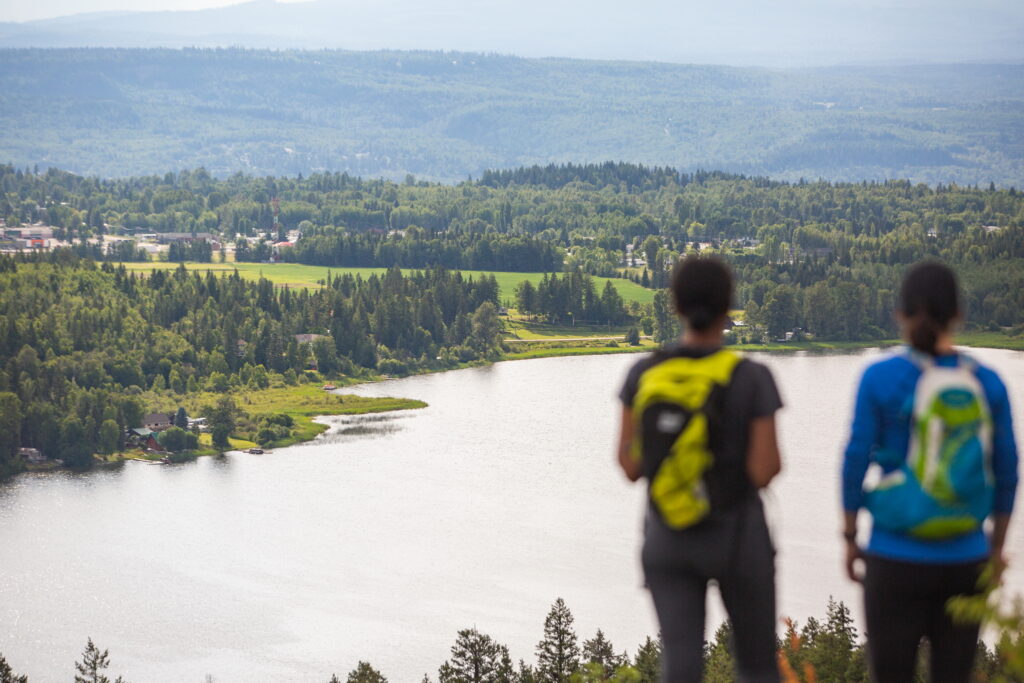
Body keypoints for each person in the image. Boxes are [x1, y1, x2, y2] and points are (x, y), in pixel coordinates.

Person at [841, 261, 1018, 683]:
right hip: (966, 559)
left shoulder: (879, 377)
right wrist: (994, 552)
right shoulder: (988, 381)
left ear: (900, 314)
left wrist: (850, 538)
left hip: (893, 556)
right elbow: (1008, 473)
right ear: (958, 315)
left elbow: (853, 461)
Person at [617, 256, 783, 682]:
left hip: (667, 537)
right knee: (757, 666)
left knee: (681, 665)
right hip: (738, 537)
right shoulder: (751, 377)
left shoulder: (645, 372)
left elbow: (630, 465)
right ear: (729, 308)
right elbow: (765, 469)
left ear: (675, 306)